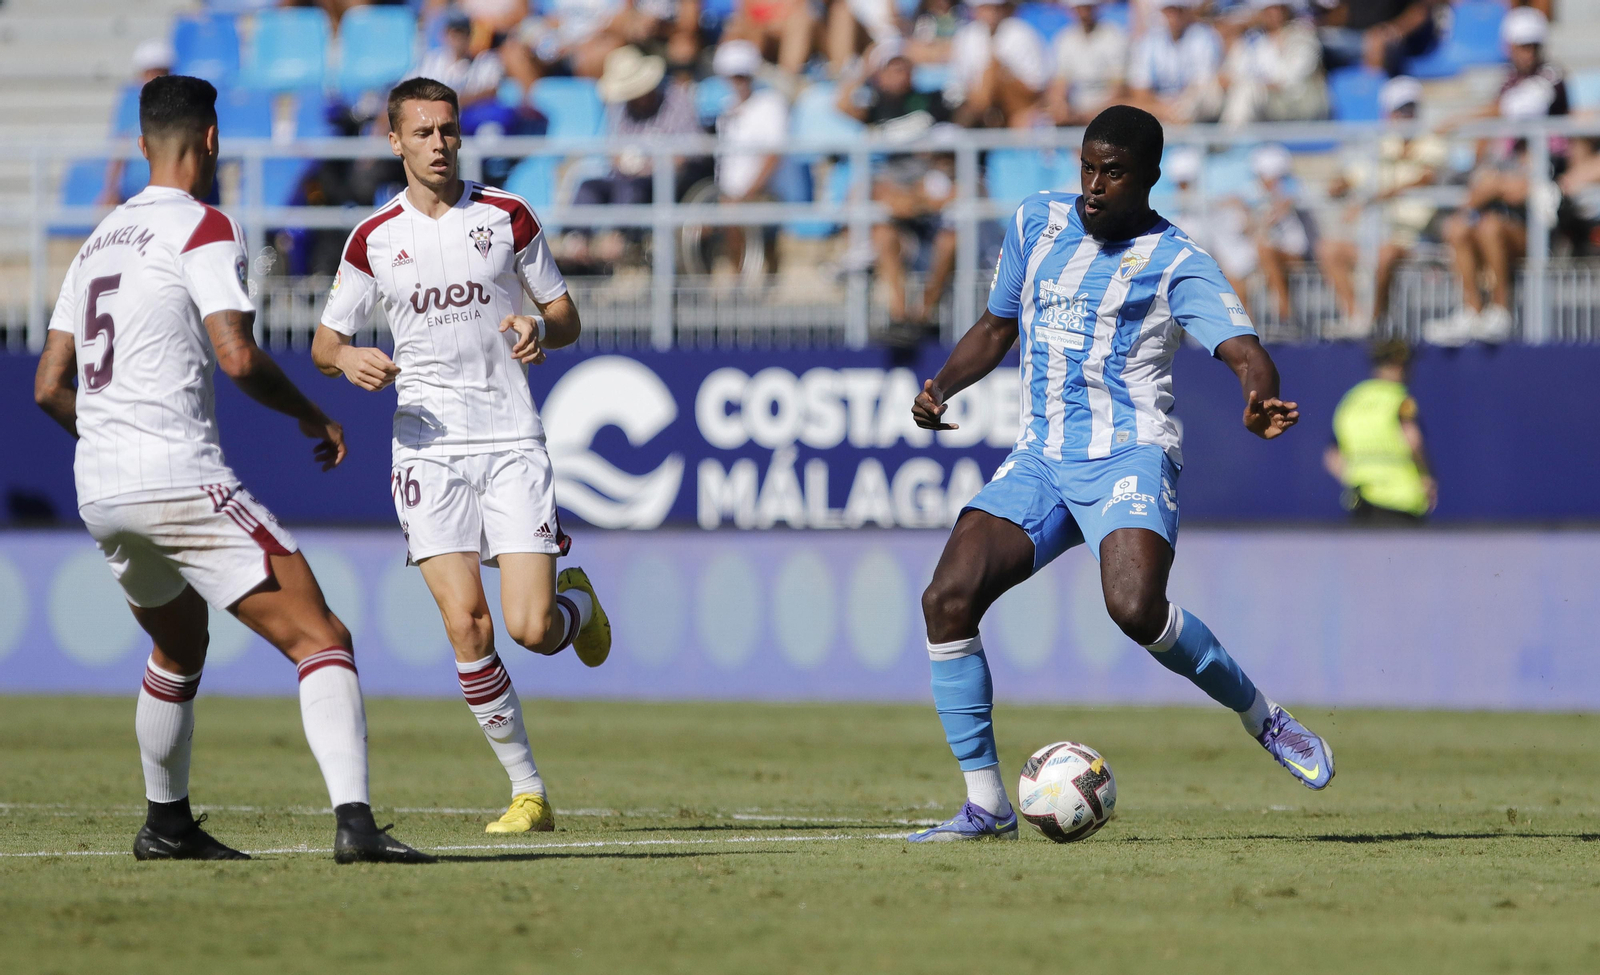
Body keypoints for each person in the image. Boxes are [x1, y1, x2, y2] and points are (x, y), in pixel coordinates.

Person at [906, 105, 1333, 842]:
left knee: (1134, 608)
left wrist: (1258, 393)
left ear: (1149, 177)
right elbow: (997, 326)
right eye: (1087, 168)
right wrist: (942, 386)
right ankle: (987, 805)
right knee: (947, 598)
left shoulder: (1177, 260)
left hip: (1129, 455)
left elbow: (1243, 349)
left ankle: (1263, 718)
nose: (1094, 186)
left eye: (1113, 172)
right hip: (1040, 458)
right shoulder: (1036, 221)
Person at [32, 76, 431, 864]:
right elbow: (238, 356)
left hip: (99, 484)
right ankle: (356, 826)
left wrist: (109, 430)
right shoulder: (205, 225)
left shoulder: (97, 242)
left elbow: (48, 385)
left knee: (179, 645)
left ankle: (166, 824)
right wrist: (313, 414)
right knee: (322, 636)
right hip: (172, 472)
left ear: (142, 145)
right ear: (211, 139)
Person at [310, 77, 611, 836]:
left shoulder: (507, 215)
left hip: (510, 438)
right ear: (394, 141)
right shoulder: (373, 237)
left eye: (448, 130)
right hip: (427, 447)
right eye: (422, 132)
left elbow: (565, 315)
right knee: (468, 626)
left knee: (531, 628)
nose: (438, 144)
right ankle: (529, 792)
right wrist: (346, 359)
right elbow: (324, 342)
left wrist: (541, 330)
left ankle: (576, 604)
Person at [1432, 7, 1568, 346]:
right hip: (1504, 201)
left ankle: (1501, 311)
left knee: (1488, 223)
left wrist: (1459, 121)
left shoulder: (1551, 77)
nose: (1528, 52)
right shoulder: (1509, 81)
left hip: (1540, 212)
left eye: (1533, 45)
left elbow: (1510, 108)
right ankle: (1472, 310)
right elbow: (1498, 125)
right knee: (1459, 228)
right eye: (1522, 45)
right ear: (1509, 46)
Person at [837, 42, 959, 341]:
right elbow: (841, 105)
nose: (899, 73)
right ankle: (900, 315)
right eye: (891, 67)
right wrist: (863, 69)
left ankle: (924, 313)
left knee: (950, 239)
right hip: (901, 193)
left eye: (903, 67)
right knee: (880, 227)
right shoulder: (876, 104)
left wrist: (918, 197)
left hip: (929, 184)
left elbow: (952, 160)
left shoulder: (931, 99)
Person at [1315, 76, 1446, 338]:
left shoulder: (1432, 142)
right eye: (1400, 110)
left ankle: (1370, 322)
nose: (1406, 116)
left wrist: (1373, 198)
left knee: (1384, 254)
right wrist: (1339, 184)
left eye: (1410, 108)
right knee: (1329, 249)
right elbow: (1350, 177)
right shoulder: (1381, 145)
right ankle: (1356, 318)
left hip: (1417, 239)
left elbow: (1427, 177)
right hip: (1379, 238)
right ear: (1389, 113)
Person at [566, 45, 702, 265]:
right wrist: (625, 162)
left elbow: (692, 150)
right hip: (626, 176)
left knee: (630, 188)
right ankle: (577, 242)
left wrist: (652, 165)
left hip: (668, 179)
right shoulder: (620, 108)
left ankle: (618, 239)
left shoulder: (677, 100)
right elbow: (613, 150)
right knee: (589, 187)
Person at [1324, 339, 1435, 523]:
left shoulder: (1352, 400)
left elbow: (1332, 457)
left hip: (1362, 503)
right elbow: (1413, 441)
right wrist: (1426, 477)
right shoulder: (1399, 400)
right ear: (1399, 365)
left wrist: (1357, 479)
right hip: (1400, 502)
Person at [712, 40, 790, 273]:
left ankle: (742, 278)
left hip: (761, 193)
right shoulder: (724, 107)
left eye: (742, 75)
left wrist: (744, 195)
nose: (738, 81)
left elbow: (773, 157)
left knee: (733, 218)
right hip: (728, 195)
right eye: (733, 75)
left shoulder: (770, 104)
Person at [1219, 0, 1327, 127]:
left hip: (1295, 102)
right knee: (1211, 90)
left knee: (1246, 91)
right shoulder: (1253, 38)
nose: (1275, 14)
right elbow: (1231, 72)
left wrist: (1257, 84)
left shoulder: (1302, 37)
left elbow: (1289, 80)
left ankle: (1228, 137)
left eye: (1279, 9)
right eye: (1269, 9)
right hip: (1260, 99)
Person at [947, 0, 1051, 128]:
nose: (991, 14)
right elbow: (963, 83)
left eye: (995, 8)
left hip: (1020, 103)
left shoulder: (1021, 32)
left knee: (994, 69)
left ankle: (965, 124)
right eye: (985, 8)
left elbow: (1037, 86)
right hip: (983, 104)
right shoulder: (967, 35)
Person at [1248, 143, 1316, 328]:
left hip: (1299, 254)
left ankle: (1285, 314)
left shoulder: (1295, 189)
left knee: (1264, 251)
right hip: (1273, 255)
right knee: (1240, 263)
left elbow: (1285, 206)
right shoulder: (1257, 195)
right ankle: (1247, 326)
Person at [1127, 0, 1223, 124]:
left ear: (1187, 12)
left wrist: (1177, 108)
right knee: (1122, 106)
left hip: (1191, 105)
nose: (1174, 16)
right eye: (1170, 11)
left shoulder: (1204, 36)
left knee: (1198, 101)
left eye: (1179, 10)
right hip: (1162, 105)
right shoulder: (1149, 41)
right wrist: (1162, 109)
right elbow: (1140, 90)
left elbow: (1202, 86)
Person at [1045, 0, 1129, 128]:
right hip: (1075, 108)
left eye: (1087, 8)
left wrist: (1087, 115)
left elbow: (1118, 89)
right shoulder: (1065, 38)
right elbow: (1059, 85)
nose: (1083, 14)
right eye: (1079, 9)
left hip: (1106, 108)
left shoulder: (1114, 36)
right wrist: (1060, 106)